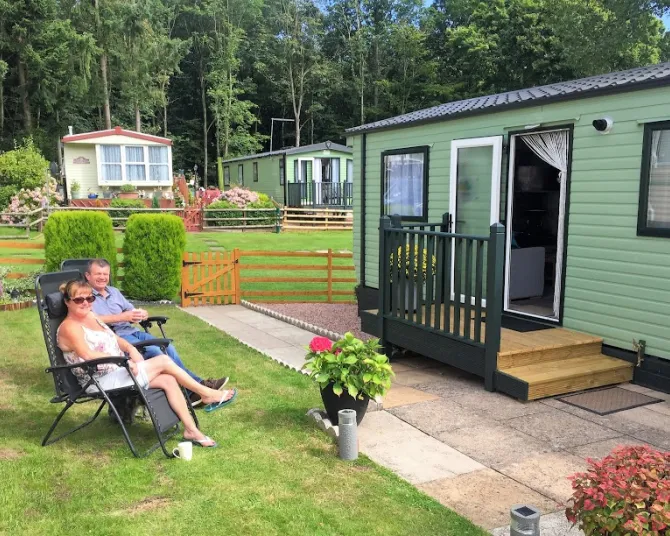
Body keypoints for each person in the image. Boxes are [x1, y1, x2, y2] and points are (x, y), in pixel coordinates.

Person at [56, 279, 237, 448]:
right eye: (79, 300)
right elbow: (88, 355)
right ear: (68, 302)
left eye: (90, 298)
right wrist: (124, 362)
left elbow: (117, 339)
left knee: (168, 379)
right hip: (99, 380)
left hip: (119, 370)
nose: (86, 303)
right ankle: (206, 394)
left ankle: (191, 430)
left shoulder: (91, 317)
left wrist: (132, 350)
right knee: (164, 361)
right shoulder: (69, 327)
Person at [85, 258, 226, 406]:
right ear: (88, 276)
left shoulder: (113, 292)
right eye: (98, 274)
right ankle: (196, 390)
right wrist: (121, 317)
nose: (102, 277)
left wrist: (140, 314)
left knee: (168, 347)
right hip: (116, 338)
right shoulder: (86, 297)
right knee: (154, 351)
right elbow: (90, 319)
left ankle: (195, 390)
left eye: (105, 274)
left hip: (132, 330)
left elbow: (129, 309)